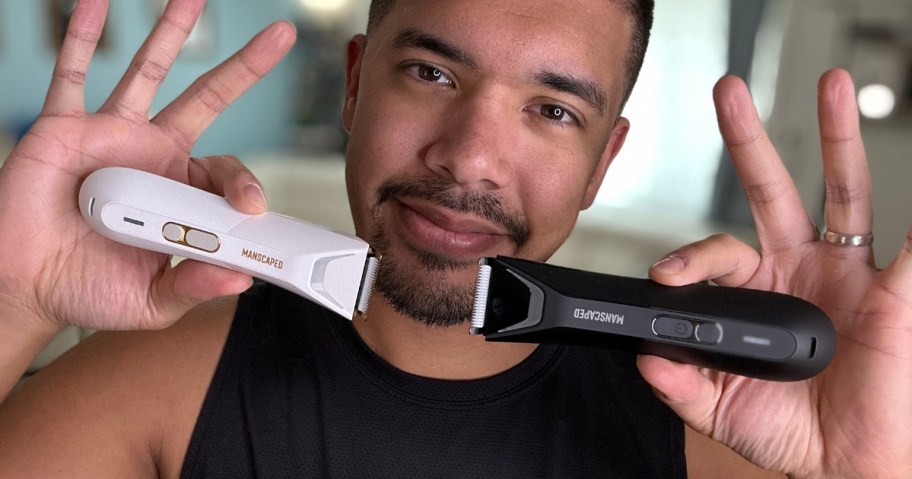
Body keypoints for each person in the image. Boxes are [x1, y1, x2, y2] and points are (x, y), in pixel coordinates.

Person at [0, 0, 909, 477]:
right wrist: (11, 298)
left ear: (602, 163)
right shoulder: (166, 375)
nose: (470, 155)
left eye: (552, 109)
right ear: (355, 88)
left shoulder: (717, 435)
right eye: (432, 71)